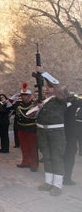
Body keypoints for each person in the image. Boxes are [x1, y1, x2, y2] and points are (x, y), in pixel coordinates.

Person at [29, 67, 66, 196]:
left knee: (56, 157)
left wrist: (44, 73)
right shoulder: (44, 101)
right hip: (42, 132)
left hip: (56, 132)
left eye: (50, 87)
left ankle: (57, 185)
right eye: (46, 87)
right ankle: (48, 182)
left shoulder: (61, 99)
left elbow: (59, 88)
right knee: (47, 157)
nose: (47, 89)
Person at [13, 85, 38, 172]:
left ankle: (34, 163)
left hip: (31, 128)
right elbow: (9, 106)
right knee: (24, 146)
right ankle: (25, 161)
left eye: (26, 95)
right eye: (22, 95)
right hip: (21, 128)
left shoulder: (34, 104)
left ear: (30, 96)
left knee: (33, 147)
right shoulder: (18, 104)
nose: (23, 96)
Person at [63, 92, 82, 185]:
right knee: (69, 156)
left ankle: (65, 177)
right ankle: (66, 178)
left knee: (67, 156)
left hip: (66, 135)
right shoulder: (72, 106)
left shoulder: (61, 105)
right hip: (69, 135)